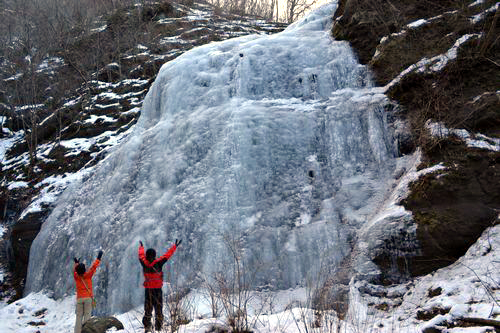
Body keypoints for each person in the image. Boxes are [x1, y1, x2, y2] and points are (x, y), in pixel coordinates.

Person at [138, 239, 181, 332]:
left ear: (146, 255)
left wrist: (141, 247)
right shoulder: (158, 263)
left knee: (148, 310)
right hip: (157, 291)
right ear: (154, 255)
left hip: (148, 290)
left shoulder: (144, 264)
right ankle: (158, 328)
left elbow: (140, 256)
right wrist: (175, 246)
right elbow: (167, 255)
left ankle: (147, 326)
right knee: (158, 309)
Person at [73, 250, 103, 333]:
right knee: (87, 317)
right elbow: (94, 267)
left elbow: (75, 270)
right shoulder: (88, 275)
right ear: (84, 269)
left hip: (79, 299)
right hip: (88, 298)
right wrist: (98, 258)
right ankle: (86, 331)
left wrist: (76, 263)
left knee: (78, 317)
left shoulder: (76, 277)